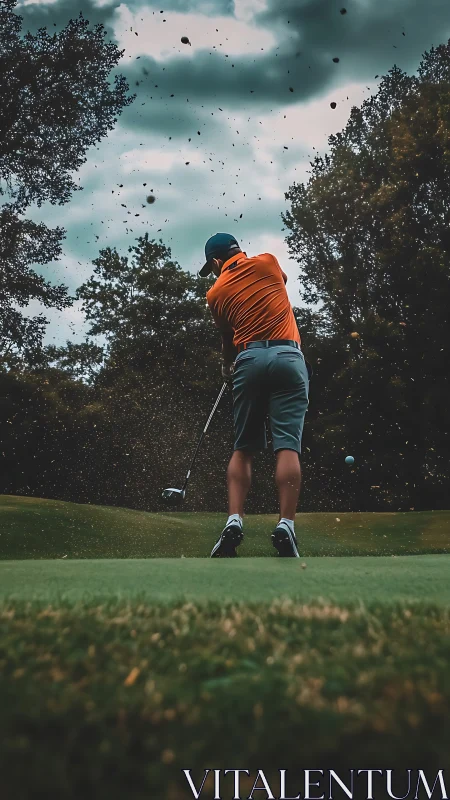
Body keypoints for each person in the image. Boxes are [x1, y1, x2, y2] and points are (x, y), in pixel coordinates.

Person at [199, 233, 311, 558]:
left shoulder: (215, 292)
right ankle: (286, 525)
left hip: (247, 360)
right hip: (288, 357)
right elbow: (282, 282)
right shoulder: (268, 262)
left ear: (217, 262)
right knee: (287, 444)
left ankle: (234, 520)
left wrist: (226, 366)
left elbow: (228, 340)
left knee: (243, 446)